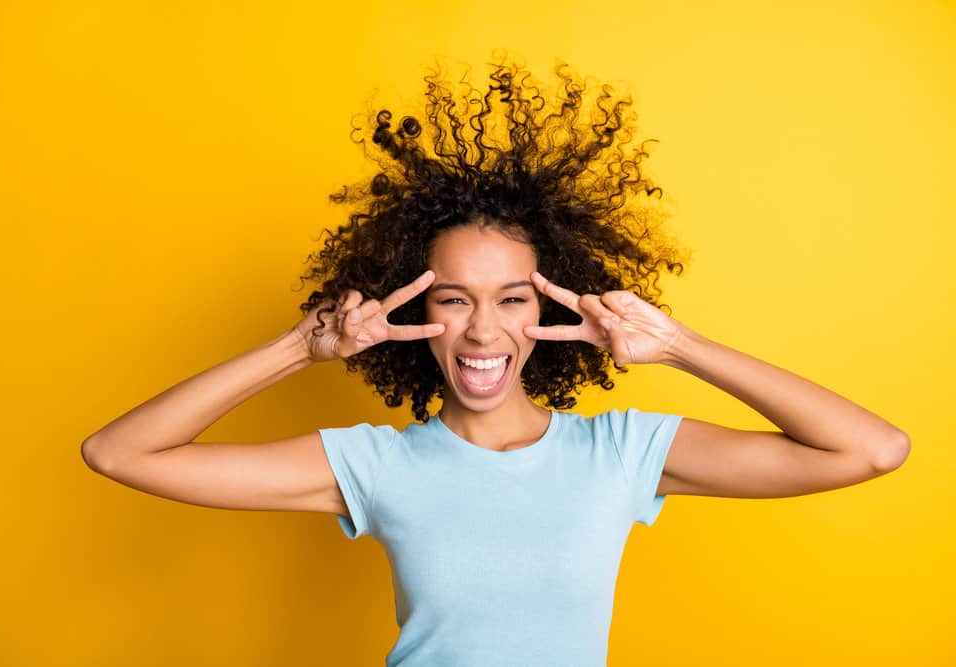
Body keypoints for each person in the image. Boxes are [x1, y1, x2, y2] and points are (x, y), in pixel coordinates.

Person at [81, 55, 911, 666]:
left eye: (512, 298)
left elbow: (872, 450)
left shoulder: (621, 454)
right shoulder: (370, 464)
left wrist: (680, 347)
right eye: (453, 298)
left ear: (547, 309)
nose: (483, 331)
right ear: (417, 310)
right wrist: (302, 346)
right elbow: (118, 453)